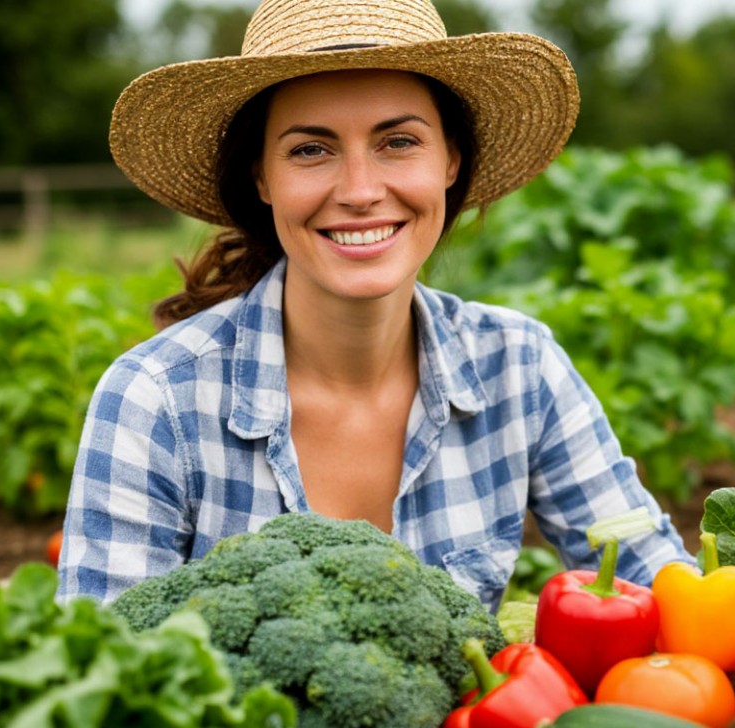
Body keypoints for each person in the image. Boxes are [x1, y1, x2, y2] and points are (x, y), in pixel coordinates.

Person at [57, 0, 693, 611]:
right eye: (311, 149)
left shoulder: (520, 367)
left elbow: (659, 584)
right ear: (262, 177)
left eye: (398, 141)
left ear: (451, 159)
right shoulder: (155, 401)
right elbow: (108, 666)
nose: (360, 191)